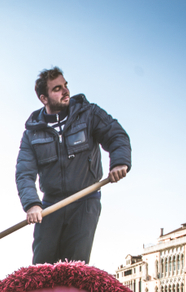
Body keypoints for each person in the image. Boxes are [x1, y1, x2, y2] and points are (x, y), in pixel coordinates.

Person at [16, 67, 131, 265]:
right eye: (57, 89)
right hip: (50, 207)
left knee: (75, 267)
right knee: (41, 268)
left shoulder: (89, 114)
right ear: (44, 99)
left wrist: (119, 162)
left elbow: (116, 135)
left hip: (85, 200)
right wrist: (32, 204)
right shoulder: (32, 134)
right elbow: (24, 173)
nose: (65, 91)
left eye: (65, 86)